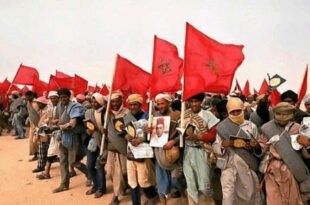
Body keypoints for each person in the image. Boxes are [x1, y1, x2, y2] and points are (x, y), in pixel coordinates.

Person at [213, 97, 263, 205]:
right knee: (228, 198)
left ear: (242, 110)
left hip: (246, 165)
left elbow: (260, 147)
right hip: (228, 166)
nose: (235, 113)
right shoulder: (222, 127)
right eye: (232, 111)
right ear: (228, 112)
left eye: (238, 111)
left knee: (248, 196)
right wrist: (222, 144)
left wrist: (255, 146)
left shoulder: (251, 126)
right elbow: (215, 146)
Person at [259, 102, 310, 204]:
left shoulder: (298, 128)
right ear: (274, 114)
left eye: (285, 114)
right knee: (274, 199)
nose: (282, 116)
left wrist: (304, 145)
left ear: (291, 114)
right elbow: (261, 150)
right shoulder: (267, 128)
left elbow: (306, 155)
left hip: (291, 169)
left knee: (292, 199)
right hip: (272, 169)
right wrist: (259, 146)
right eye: (279, 114)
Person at [183, 93, 219, 205]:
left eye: (196, 101)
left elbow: (213, 135)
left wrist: (198, 137)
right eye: (191, 101)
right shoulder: (184, 115)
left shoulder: (208, 115)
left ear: (201, 101)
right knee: (190, 183)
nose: (194, 104)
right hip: (188, 151)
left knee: (204, 185)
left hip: (202, 150)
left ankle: (209, 202)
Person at [123, 94, 157, 205]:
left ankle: (152, 197)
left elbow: (154, 133)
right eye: (131, 104)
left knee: (143, 181)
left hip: (143, 153)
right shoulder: (126, 117)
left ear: (139, 105)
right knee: (132, 181)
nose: (133, 107)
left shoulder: (148, 116)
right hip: (130, 152)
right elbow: (124, 132)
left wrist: (142, 139)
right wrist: (126, 136)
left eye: (135, 104)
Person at [53, 88, 88, 193]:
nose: (62, 99)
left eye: (64, 97)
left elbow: (72, 124)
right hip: (63, 137)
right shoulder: (60, 106)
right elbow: (60, 119)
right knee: (62, 161)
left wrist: (61, 127)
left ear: (69, 97)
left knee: (73, 162)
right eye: (60, 97)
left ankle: (90, 174)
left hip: (74, 137)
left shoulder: (75, 106)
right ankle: (64, 184)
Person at [153, 93, 185, 205]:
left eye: (163, 103)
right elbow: (152, 134)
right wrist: (149, 130)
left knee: (176, 179)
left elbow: (182, 133)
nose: (160, 106)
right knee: (160, 180)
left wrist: (173, 141)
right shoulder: (154, 116)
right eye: (158, 104)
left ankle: (183, 192)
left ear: (169, 103)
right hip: (159, 152)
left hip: (172, 153)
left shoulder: (177, 115)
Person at [105, 91, 129, 205]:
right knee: (109, 172)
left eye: (117, 101)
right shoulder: (107, 115)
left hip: (122, 147)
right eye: (112, 101)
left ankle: (116, 195)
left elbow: (132, 130)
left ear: (121, 101)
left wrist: (125, 129)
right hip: (110, 148)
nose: (115, 103)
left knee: (121, 172)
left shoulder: (126, 113)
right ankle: (119, 191)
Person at [84, 93, 107, 198]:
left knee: (99, 165)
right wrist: (89, 130)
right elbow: (88, 126)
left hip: (104, 142)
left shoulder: (107, 112)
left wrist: (104, 130)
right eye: (92, 101)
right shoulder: (89, 112)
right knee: (89, 165)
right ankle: (95, 185)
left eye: (96, 101)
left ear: (101, 102)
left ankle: (101, 189)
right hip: (93, 141)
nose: (93, 103)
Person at [36, 91, 60, 179]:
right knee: (51, 152)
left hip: (61, 132)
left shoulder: (60, 107)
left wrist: (55, 121)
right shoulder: (52, 108)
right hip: (54, 133)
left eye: (54, 98)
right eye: (51, 98)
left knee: (65, 155)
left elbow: (64, 118)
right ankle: (46, 173)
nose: (53, 99)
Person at [32, 96, 49, 173]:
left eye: (39, 103)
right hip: (42, 132)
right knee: (42, 149)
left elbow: (46, 122)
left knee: (43, 149)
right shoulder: (42, 110)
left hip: (45, 132)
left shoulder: (48, 111)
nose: (38, 104)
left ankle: (41, 166)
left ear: (42, 103)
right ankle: (41, 165)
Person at [25, 91, 40, 160]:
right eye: (26, 96)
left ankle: (40, 155)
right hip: (32, 124)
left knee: (37, 140)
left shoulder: (36, 103)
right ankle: (35, 154)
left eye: (28, 96)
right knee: (32, 140)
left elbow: (40, 114)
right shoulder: (28, 103)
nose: (27, 97)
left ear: (32, 95)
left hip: (38, 124)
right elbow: (30, 113)